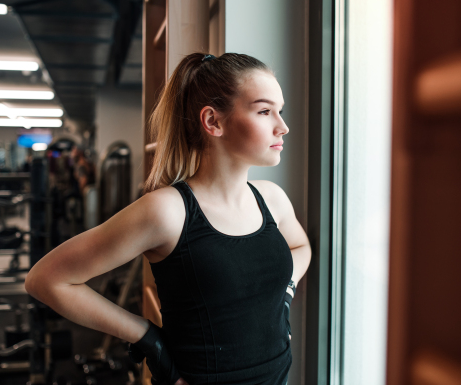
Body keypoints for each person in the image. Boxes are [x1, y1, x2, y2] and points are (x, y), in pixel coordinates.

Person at [25, 52, 312, 385]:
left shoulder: (271, 199)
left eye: (281, 111)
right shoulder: (167, 211)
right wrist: (146, 337)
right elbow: (46, 279)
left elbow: (300, 245)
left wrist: (286, 291)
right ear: (213, 122)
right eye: (265, 111)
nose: (283, 126)